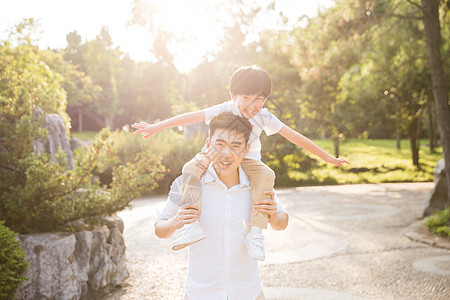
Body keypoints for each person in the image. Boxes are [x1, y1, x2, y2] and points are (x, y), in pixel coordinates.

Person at [132, 65, 349, 261]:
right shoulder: (225, 109)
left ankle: (255, 233)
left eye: (259, 99)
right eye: (246, 98)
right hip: (214, 154)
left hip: (249, 160)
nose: (253, 105)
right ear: (233, 95)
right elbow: (191, 116)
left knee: (266, 175)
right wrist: (157, 126)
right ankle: (192, 224)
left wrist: (327, 157)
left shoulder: (265, 117)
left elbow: (294, 136)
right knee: (190, 168)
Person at [155, 113, 289, 300]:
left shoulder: (257, 184)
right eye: (220, 144)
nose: (227, 153)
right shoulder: (188, 184)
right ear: (208, 145)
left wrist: (273, 216)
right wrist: (175, 222)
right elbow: (160, 230)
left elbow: (282, 222)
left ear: (246, 150)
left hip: (248, 292)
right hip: (201, 293)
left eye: (235, 146)